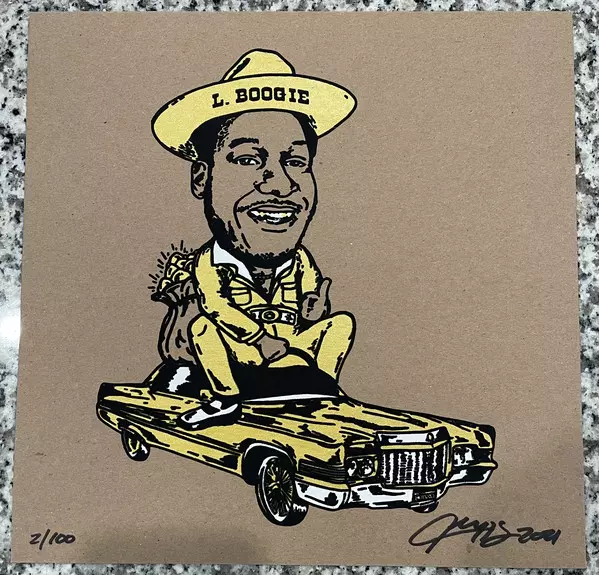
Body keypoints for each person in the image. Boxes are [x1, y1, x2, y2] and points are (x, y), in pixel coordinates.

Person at [151, 49, 357, 428]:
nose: (281, 184)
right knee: (202, 330)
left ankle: (319, 388)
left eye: (295, 162)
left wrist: (312, 313)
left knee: (341, 324)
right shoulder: (208, 264)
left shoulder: (302, 262)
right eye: (248, 159)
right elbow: (217, 308)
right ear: (202, 178)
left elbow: (310, 301)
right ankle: (225, 398)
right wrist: (260, 339)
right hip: (242, 353)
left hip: (291, 354)